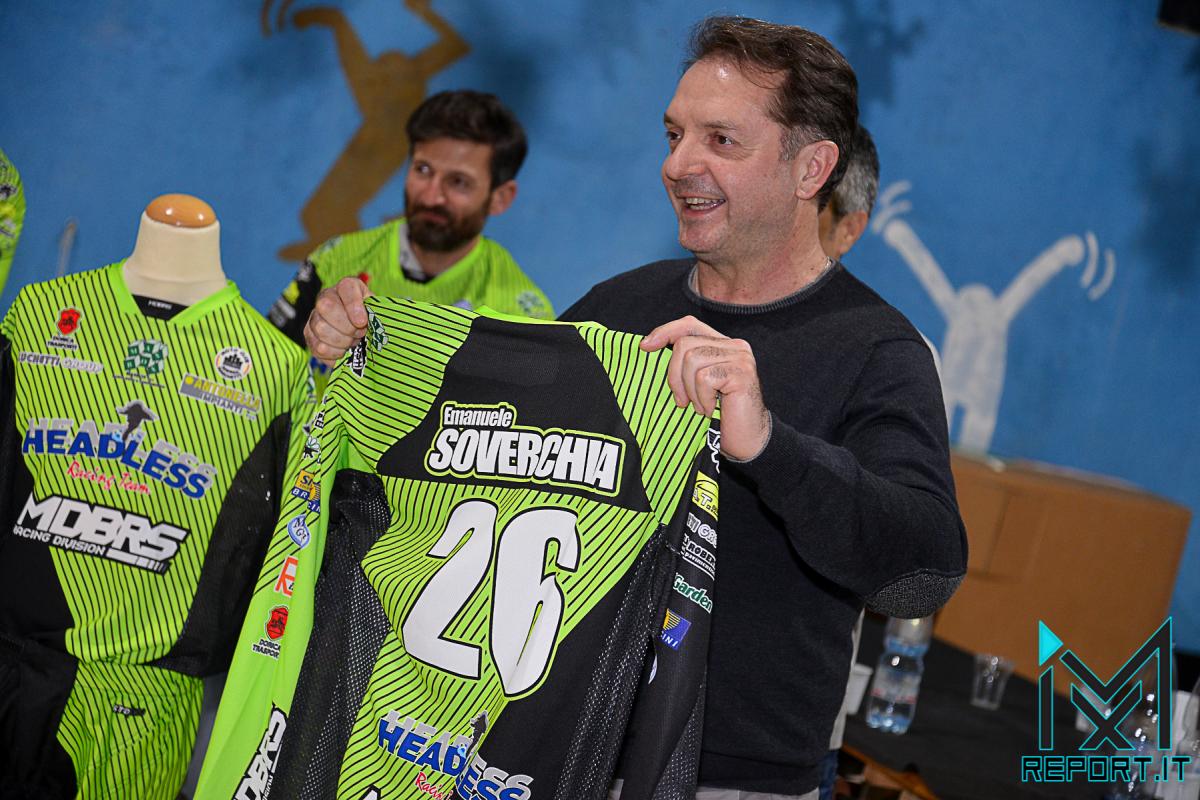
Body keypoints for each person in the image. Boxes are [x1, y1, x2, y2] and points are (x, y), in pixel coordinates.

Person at [302, 17, 967, 800]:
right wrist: (359, 351)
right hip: (547, 757)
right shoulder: (615, 310)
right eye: (674, 134)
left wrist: (769, 446)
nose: (678, 165)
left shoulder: (877, 350)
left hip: (734, 781)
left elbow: (920, 579)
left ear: (811, 167)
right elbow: (464, 470)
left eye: (721, 141)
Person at [269, 88, 553, 349]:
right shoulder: (335, 259)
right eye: (423, 170)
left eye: (458, 182)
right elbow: (262, 367)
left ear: (500, 198)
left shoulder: (522, 316)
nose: (431, 196)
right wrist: (315, 331)